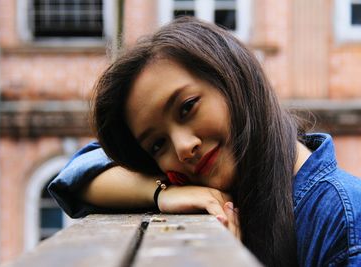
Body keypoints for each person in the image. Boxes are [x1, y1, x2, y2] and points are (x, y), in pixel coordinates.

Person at [48, 17, 361, 266]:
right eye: (157, 145)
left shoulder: (342, 218)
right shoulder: (225, 189)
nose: (183, 147)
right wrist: (161, 194)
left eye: (187, 107)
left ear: (232, 78)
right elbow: (78, 171)